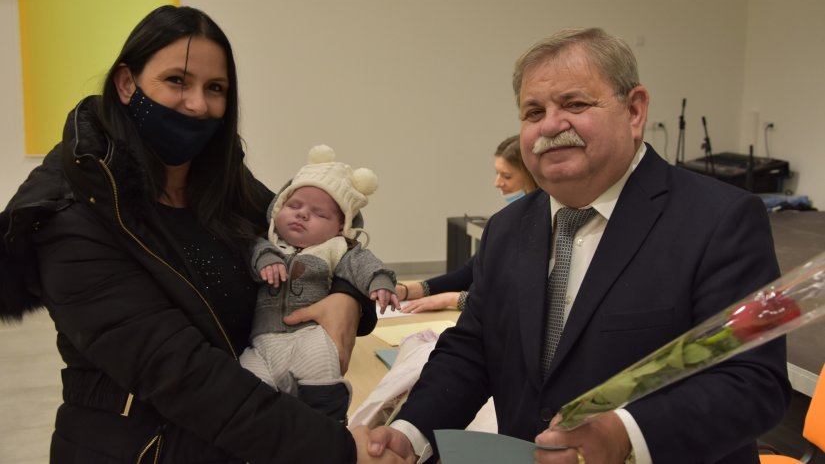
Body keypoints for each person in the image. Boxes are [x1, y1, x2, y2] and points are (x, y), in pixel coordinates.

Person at [364, 27, 791, 463]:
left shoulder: (721, 220)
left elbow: (754, 381)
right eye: (533, 112)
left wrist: (627, 434)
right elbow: (474, 349)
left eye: (575, 104)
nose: (550, 124)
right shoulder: (508, 229)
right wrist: (409, 432)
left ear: (635, 110)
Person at [0, 5, 405, 463]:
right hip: (140, 448)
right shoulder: (73, 216)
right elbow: (181, 374)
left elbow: (320, 233)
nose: (198, 104)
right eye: (177, 80)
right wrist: (336, 450)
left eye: (215, 88)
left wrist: (348, 296)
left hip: (240, 437)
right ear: (127, 83)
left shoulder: (222, 182)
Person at [240, 144, 399, 423]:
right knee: (246, 381)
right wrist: (265, 260)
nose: (302, 214)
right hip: (262, 341)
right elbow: (252, 250)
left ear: (340, 227)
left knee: (322, 366)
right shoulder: (267, 242)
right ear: (277, 208)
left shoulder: (335, 248)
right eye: (293, 205)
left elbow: (363, 264)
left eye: (319, 214)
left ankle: (328, 424)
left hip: (308, 336)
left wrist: (380, 281)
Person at [399, 135, 537, 313]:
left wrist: (454, 299)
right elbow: (468, 274)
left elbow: (517, 303)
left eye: (507, 176)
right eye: (497, 173)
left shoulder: (542, 229)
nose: (497, 183)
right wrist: (407, 290)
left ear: (532, 177)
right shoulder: (506, 222)